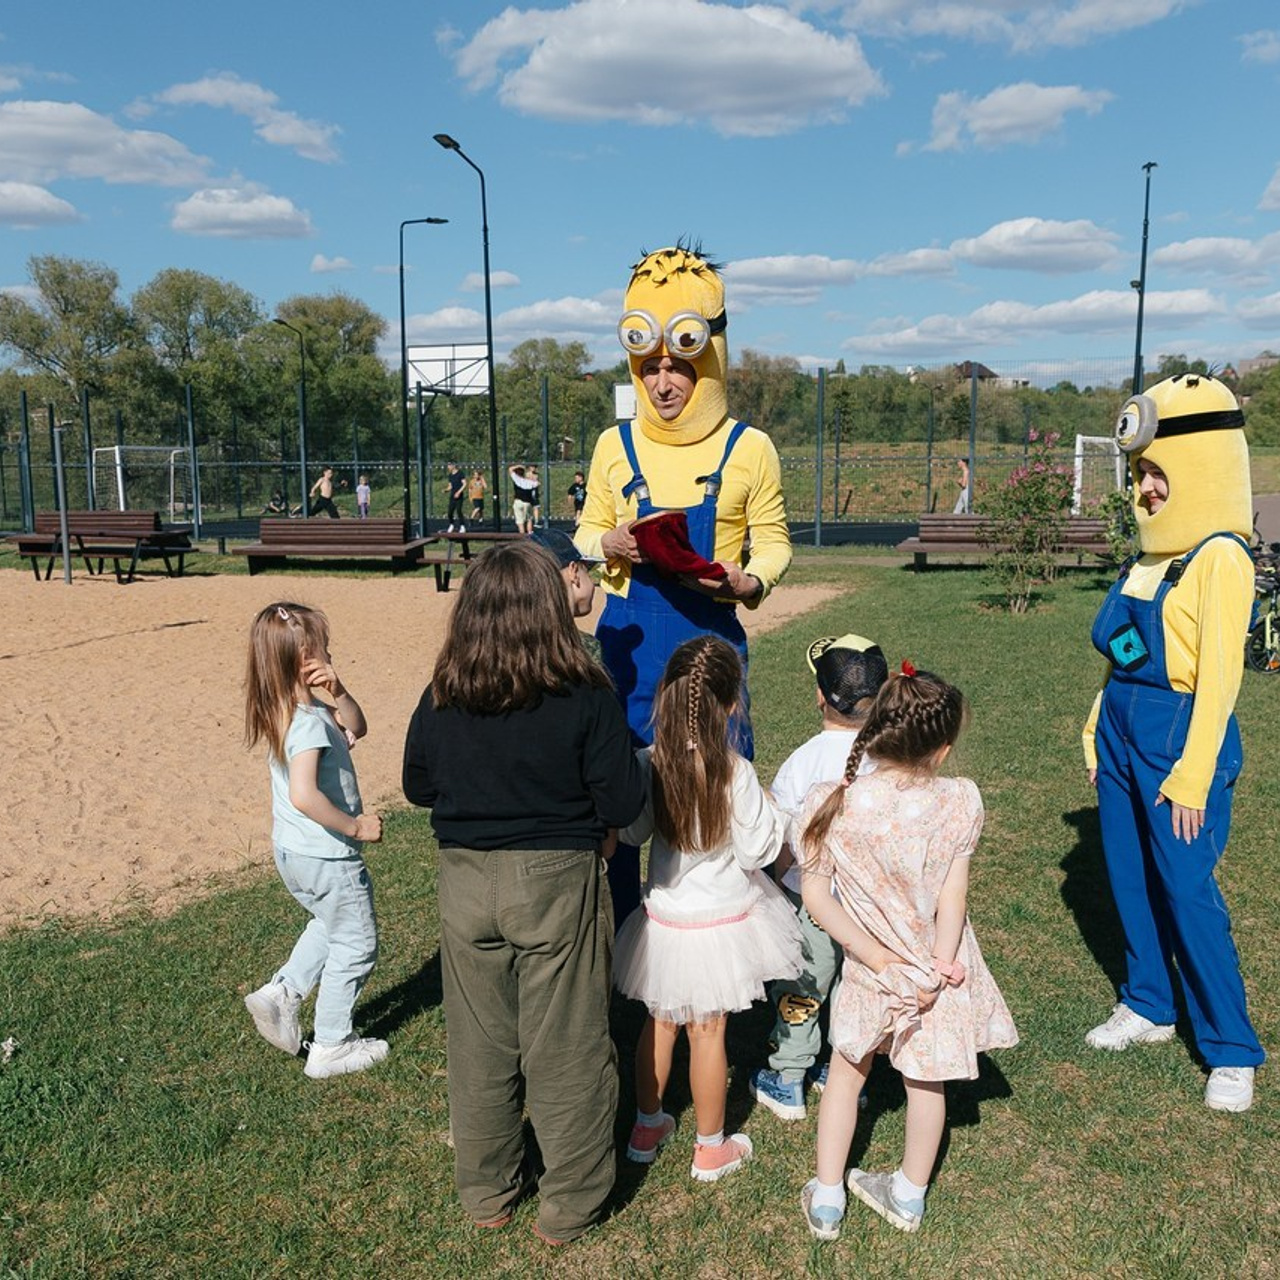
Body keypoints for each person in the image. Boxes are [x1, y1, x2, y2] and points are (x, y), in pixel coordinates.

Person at [402, 540, 645, 1245]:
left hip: (466, 880)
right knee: (566, 1042)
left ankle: (487, 1190)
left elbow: (419, 784)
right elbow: (625, 797)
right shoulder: (586, 689)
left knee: (479, 1043)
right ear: (549, 606)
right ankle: (569, 1202)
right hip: (555, 877)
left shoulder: (444, 689)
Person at [576, 242, 792, 926]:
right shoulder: (614, 445)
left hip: (711, 657)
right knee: (620, 811)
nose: (664, 383)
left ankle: (728, 950)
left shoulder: (751, 448)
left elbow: (777, 541)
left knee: (718, 813)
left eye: (679, 367)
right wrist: (604, 542)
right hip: (627, 655)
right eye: (651, 367)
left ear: (709, 363)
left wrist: (750, 579)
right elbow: (583, 531)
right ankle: (624, 961)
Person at [1082, 372, 1264, 1112]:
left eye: (1157, 473)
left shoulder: (1222, 555)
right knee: (1128, 875)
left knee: (1188, 889)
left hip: (1182, 736)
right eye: (1140, 474)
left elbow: (1220, 678)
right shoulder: (1149, 556)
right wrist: (1099, 725)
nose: (1146, 489)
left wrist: (1192, 775)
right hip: (1125, 727)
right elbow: (1119, 653)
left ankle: (1231, 1049)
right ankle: (1151, 1004)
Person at [797, 665, 1017, 1239]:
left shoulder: (833, 802)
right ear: (942, 751)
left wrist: (874, 959)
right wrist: (939, 966)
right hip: (934, 969)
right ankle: (909, 1196)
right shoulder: (960, 801)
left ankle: (826, 1199)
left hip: (871, 969)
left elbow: (817, 898)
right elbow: (954, 891)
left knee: (847, 1074)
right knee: (927, 1084)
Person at [614, 636, 804, 1183]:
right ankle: (711, 1147)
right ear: (728, 706)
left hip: (667, 923)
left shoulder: (648, 764)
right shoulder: (735, 773)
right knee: (708, 1032)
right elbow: (758, 852)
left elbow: (631, 831)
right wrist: (770, 811)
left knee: (660, 1022)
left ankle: (647, 1125)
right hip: (720, 925)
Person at [241, 602, 387, 1080]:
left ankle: (281, 994)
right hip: (326, 853)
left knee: (331, 923)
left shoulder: (294, 710)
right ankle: (332, 1044)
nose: (331, 652)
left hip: (295, 853)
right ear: (306, 657)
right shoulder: (304, 725)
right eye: (325, 646)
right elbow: (305, 795)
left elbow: (357, 726)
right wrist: (354, 826)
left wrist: (338, 690)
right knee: (357, 942)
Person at [749, 633, 889, 1122]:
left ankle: (788, 1078)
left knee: (802, 988)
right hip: (874, 906)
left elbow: (784, 840)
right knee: (858, 985)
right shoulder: (893, 754)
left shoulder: (803, 761)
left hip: (813, 902)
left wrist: (771, 886)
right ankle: (842, 1071)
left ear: (819, 696)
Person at [509, 465, 536, 534]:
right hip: (527, 502)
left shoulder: (516, 479)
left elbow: (510, 469)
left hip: (518, 502)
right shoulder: (529, 482)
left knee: (520, 522)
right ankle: (530, 533)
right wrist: (531, 478)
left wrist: (518, 465)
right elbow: (537, 484)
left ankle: (522, 536)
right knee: (529, 519)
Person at [445, 463, 467, 533]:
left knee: (458, 510)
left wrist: (459, 492)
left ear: (453, 466)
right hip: (452, 496)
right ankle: (451, 524)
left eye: (449, 465)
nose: (448, 467)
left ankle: (462, 526)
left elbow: (464, 484)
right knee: (450, 512)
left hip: (459, 495)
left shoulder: (460, 473)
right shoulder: (450, 475)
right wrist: (446, 490)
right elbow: (450, 486)